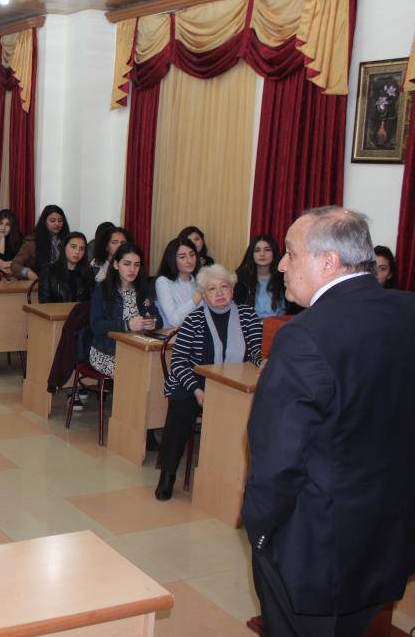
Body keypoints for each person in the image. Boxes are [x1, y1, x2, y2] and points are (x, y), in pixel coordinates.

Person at [243, 207, 415, 636]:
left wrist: (261, 533)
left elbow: (276, 458)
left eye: (290, 253)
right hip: (388, 534)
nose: (281, 264)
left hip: (315, 548)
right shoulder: (408, 311)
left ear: (328, 262)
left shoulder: (304, 337)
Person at [155, 263, 261, 500]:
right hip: (193, 381)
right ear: (203, 295)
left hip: (232, 382)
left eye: (224, 287)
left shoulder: (247, 315)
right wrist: (197, 390)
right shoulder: (193, 320)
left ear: (232, 289)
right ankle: (168, 474)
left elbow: (254, 353)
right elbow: (179, 362)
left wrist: (261, 362)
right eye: (212, 289)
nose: (220, 293)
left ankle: (238, 478)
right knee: (181, 411)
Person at [88, 243, 162, 377]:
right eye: (127, 264)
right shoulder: (103, 289)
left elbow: (158, 318)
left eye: (137, 265)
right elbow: (96, 325)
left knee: (158, 370)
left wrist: (153, 322)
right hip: (107, 352)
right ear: (116, 265)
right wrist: (127, 325)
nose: (132, 269)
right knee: (135, 374)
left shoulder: (142, 289)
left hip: (137, 349)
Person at [233, 235, 288, 319]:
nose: (262, 254)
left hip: (278, 327)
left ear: (274, 252)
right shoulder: (240, 279)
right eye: (257, 250)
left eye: (267, 250)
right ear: (252, 254)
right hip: (248, 328)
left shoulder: (284, 278)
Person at [11, 205, 70, 281]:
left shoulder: (68, 240)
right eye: (52, 220)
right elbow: (14, 265)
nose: (57, 224)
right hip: (40, 284)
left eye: (60, 220)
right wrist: (28, 272)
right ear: (45, 222)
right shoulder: (32, 242)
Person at [154, 238, 201, 328]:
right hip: (171, 338)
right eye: (182, 257)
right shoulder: (163, 282)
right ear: (172, 259)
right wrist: (196, 298)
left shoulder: (198, 281)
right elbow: (174, 321)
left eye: (192, 255)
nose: (189, 260)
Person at [38, 232, 93, 304]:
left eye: (82, 249)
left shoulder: (89, 273)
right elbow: (44, 303)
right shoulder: (48, 271)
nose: (77, 252)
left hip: (80, 314)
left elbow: (92, 303)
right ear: (64, 247)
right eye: (73, 246)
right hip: (56, 314)